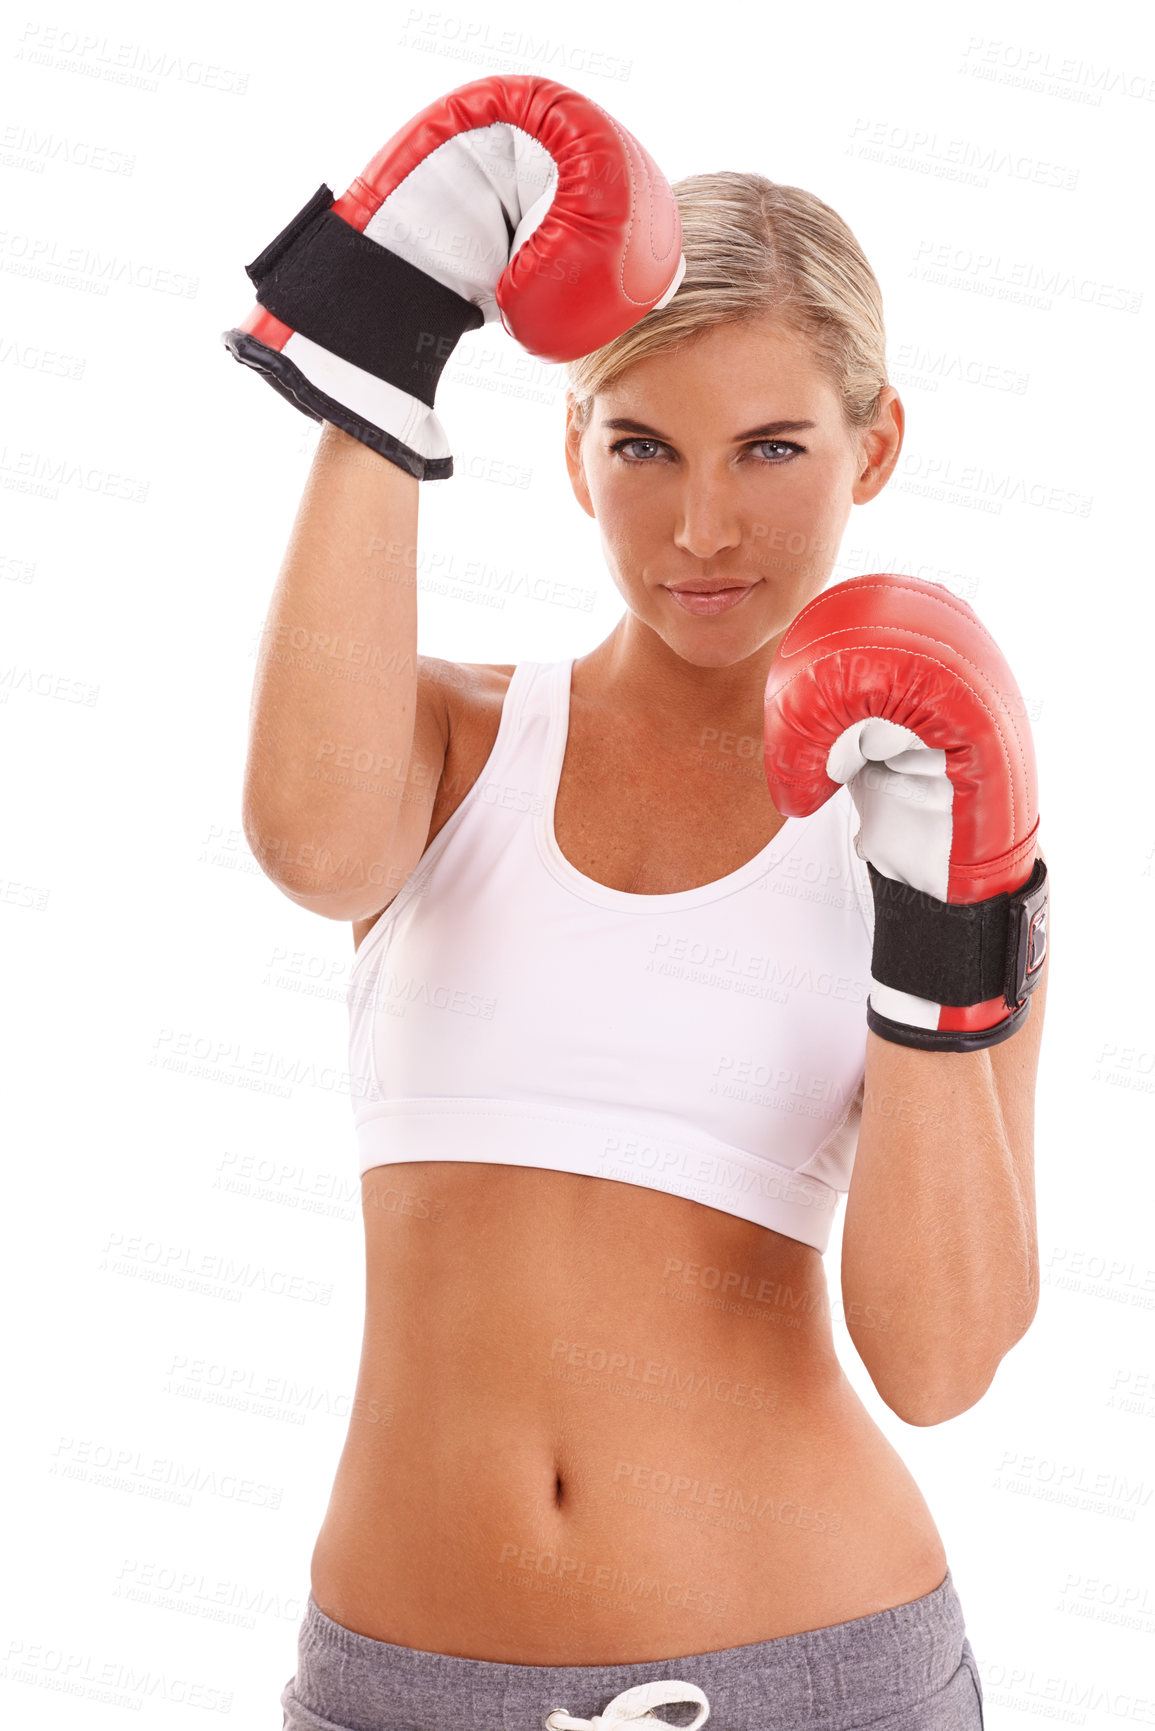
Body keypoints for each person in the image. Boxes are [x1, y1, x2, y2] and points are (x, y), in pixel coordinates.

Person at [228, 77, 1047, 1731]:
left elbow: (941, 1361)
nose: (704, 526)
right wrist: (381, 331)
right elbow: (309, 846)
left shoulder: (935, 822)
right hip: (397, 1684)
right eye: (644, 447)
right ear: (574, 450)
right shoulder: (457, 735)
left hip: (811, 1676)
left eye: (773, 448)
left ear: (873, 444)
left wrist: (944, 917)